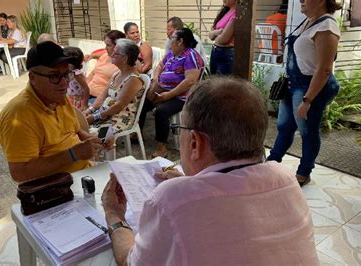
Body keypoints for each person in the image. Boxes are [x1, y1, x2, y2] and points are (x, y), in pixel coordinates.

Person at [102, 77, 319, 265]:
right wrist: (194, 181)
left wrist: (114, 213)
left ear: (195, 143)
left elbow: (133, 262)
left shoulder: (171, 200)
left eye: (181, 130)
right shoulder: (286, 179)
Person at [0, 41, 103, 183]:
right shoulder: (19, 115)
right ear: (32, 77)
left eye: (66, 74)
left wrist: (94, 141)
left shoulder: (57, 97)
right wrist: (73, 154)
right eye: (54, 76)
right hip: (54, 189)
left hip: (83, 175)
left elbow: (76, 132)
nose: (64, 83)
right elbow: (20, 173)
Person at [267, 0, 342, 186]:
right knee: (284, 127)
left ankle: (304, 172)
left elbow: (324, 69)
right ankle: (271, 164)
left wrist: (307, 100)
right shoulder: (310, 21)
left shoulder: (327, 26)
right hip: (293, 85)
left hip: (310, 88)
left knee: (308, 132)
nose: (300, 1)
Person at [139, 28, 204, 158]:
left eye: (172, 37)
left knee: (161, 111)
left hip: (181, 96)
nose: (169, 39)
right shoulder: (171, 54)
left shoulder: (190, 55)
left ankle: (162, 148)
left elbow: (190, 81)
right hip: (162, 90)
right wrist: (156, 79)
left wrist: (169, 95)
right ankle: (136, 133)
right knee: (140, 103)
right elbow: (159, 66)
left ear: (180, 41)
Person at [83, 39, 144, 135]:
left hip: (119, 120)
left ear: (124, 58)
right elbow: (103, 96)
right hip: (104, 115)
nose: (111, 55)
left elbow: (119, 106)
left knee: (90, 136)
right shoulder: (116, 74)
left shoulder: (133, 80)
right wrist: (90, 110)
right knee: (77, 129)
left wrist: (95, 117)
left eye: (115, 54)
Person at [86, 30, 126, 99]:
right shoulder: (105, 55)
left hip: (99, 97)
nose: (105, 48)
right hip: (88, 93)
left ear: (118, 46)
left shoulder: (121, 64)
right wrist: (84, 89)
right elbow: (93, 73)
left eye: (108, 45)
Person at [208, 0, 237, 75]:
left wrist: (215, 35)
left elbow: (223, 39)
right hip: (215, 51)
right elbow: (210, 35)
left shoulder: (236, 14)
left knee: (221, 84)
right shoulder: (224, 12)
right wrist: (217, 32)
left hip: (226, 53)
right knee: (213, 82)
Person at [64, 47, 90, 111]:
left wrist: (85, 104)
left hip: (78, 101)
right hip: (70, 99)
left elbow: (86, 88)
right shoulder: (69, 72)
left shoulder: (76, 74)